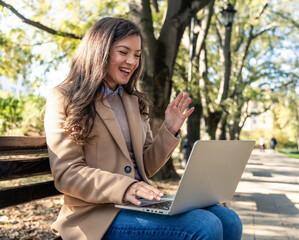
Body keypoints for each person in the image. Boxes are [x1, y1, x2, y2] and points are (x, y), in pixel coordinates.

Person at [44, 17, 242, 240]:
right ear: (100, 50)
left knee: (228, 220)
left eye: (137, 55)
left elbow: (145, 166)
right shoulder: (64, 97)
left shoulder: (133, 101)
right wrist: (126, 187)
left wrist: (169, 130)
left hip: (137, 204)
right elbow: (67, 173)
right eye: (123, 52)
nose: (132, 61)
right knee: (204, 226)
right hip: (95, 214)